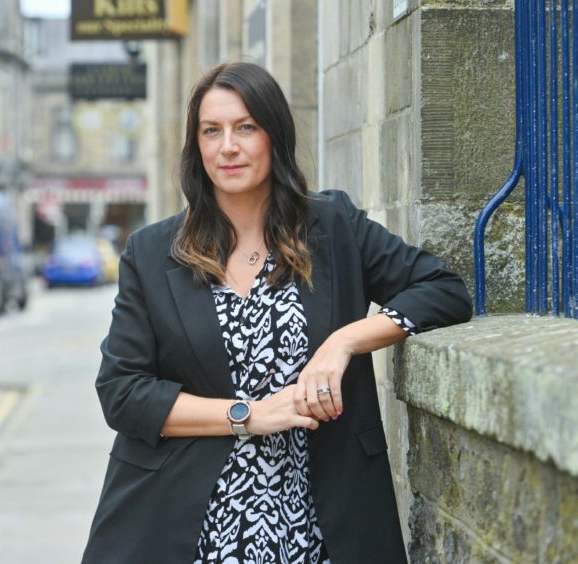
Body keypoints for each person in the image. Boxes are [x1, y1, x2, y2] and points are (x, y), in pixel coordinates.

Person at [81, 62, 472, 564]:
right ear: (195, 146)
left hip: (319, 521)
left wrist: (344, 342)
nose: (228, 146)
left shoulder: (333, 227)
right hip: (182, 525)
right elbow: (123, 393)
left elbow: (442, 289)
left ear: (274, 134)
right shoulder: (153, 252)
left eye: (246, 127)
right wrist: (248, 415)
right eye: (211, 131)